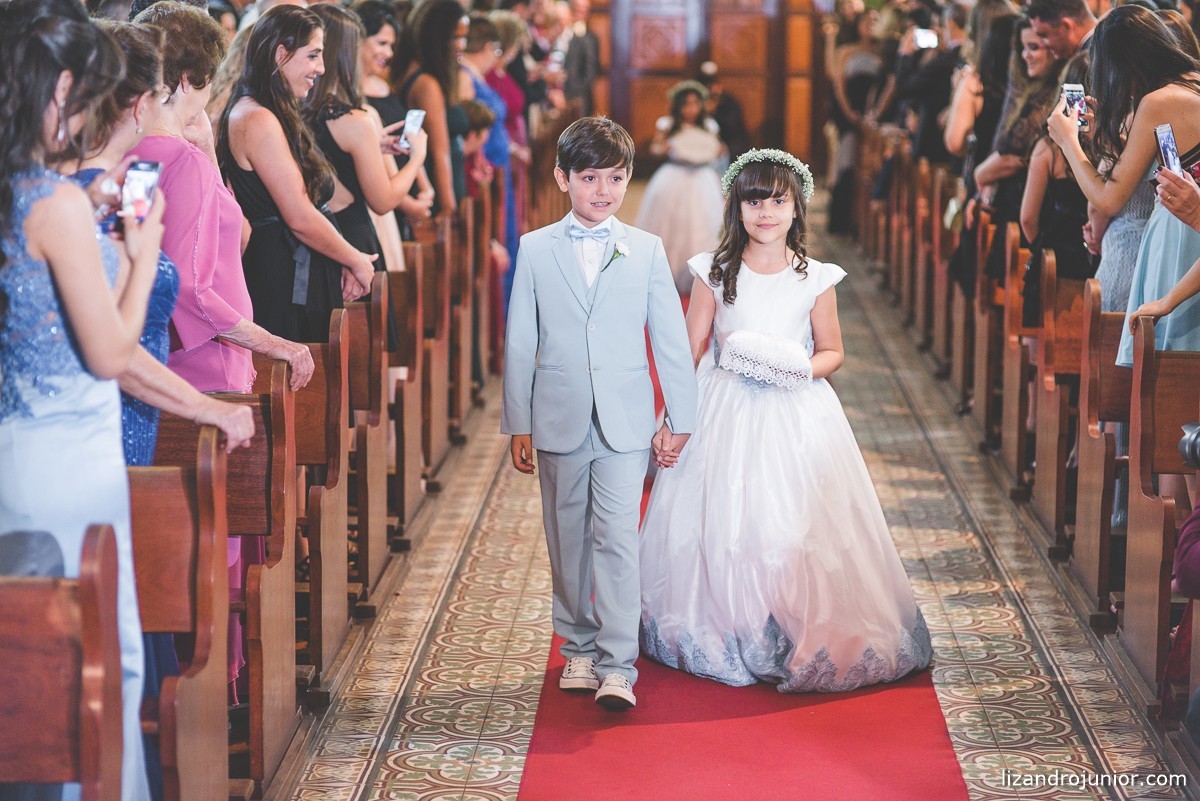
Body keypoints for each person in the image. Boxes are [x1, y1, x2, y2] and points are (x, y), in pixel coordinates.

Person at [639, 149, 933, 692]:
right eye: (754, 202)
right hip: (724, 406)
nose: (766, 213)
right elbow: (689, 347)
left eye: (778, 201)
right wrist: (671, 419)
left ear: (798, 208)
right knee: (727, 519)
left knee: (792, 521)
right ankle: (731, 623)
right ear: (737, 208)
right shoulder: (713, 271)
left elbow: (832, 351)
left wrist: (798, 368)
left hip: (796, 408)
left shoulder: (815, 278)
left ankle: (790, 621)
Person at [0, 3, 161, 799]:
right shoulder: (55, 206)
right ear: (60, 88)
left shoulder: (23, 194)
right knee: (100, 669)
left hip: (18, 451)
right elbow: (110, 353)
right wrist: (140, 253)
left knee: (31, 680)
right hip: (73, 459)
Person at [501, 116, 698, 710]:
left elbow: (670, 339)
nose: (603, 191)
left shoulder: (645, 250)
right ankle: (579, 647)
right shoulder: (535, 249)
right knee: (567, 539)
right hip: (558, 415)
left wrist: (679, 416)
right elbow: (519, 340)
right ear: (563, 178)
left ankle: (618, 663)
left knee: (616, 536)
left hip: (626, 419)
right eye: (589, 177)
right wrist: (519, 422)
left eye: (615, 178)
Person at [1046, 4, 1200, 366]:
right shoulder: (1189, 84)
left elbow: (1109, 199)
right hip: (1184, 234)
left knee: (1163, 370)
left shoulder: (1158, 102)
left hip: (1181, 241)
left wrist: (1068, 141)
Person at [219, 4, 377, 343]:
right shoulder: (256, 118)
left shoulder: (273, 110)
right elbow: (299, 216)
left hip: (295, 267)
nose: (320, 68)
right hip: (283, 274)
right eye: (313, 55)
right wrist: (357, 259)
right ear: (281, 54)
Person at [304, 2, 428, 348]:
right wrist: (417, 159)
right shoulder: (353, 119)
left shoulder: (298, 110)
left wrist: (376, 146)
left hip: (321, 239)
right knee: (366, 357)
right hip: (356, 238)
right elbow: (384, 200)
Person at [635, 80, 726, 295]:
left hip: (702, 177)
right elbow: (656, 147)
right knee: (670, 223)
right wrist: (663, 148)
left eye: (695, 104)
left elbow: (716, 148)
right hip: (674, 175)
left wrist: (718, 151)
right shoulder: (667, 124)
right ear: (678, 106)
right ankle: (667, 273)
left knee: (702, 221)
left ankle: (698, 275)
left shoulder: (709, 126)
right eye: (686, 104)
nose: (691, 109)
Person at [393, 0, 470, 220]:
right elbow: (440, 151)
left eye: (465, 37)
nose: (461, 45)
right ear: (437, 38)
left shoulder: (419, 74)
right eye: (455, 37)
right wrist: (449, 210)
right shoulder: (427, 84)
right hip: (440, 196)